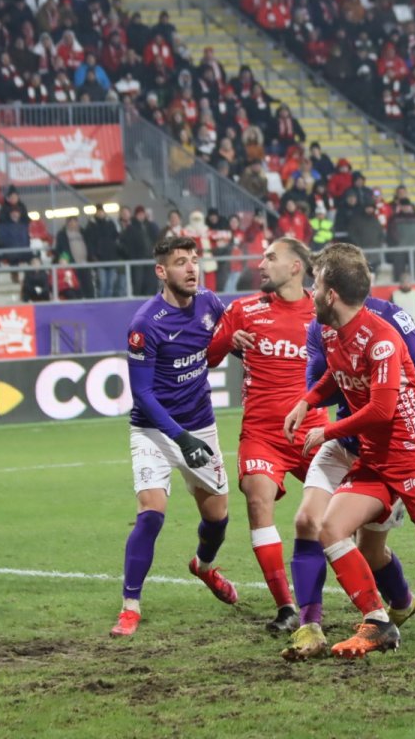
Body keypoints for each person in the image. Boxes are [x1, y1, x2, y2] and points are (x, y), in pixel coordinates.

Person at [283, 244, 415, 659]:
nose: (310, 292)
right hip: (376, 460)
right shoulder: (330, 331)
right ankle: (378, 622)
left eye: (316, 285)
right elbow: (336, 374)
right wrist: (306, 402)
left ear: (332, 294)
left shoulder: (382, 338)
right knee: (329, 528)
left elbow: (381, 411)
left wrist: (326, 430)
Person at [282, 277, 415, 661]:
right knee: (308, 521)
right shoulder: (322, 326)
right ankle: (310, 626)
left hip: (388, 453)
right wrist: (313, 399)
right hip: (343, 442)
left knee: (370, 552)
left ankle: (401, 602)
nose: (313, 291)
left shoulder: (390, 319)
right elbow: (320, 380)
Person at [110, 236, 237, 638]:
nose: (192, 268)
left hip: (201, 425)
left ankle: (203, 566)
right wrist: (180, 439)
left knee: (217, 518)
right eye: (181, 262)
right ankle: (130, 606)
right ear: (161, 272)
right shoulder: (145, 324)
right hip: (154, 430)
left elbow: (227, 341)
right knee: (151, 513)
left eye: (194, 260)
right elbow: (143, 394)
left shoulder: (210, 303)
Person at [205, 239, 326, 634]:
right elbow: (208, 356)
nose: (261, 264)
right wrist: (228, 341)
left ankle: (380, 597)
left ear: (295, 267)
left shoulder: (322, 311)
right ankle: (286, 607)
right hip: (262, 434)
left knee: (347, 512)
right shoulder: (243, 310)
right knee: (258, 501)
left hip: (312, 430)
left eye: (271, 257)